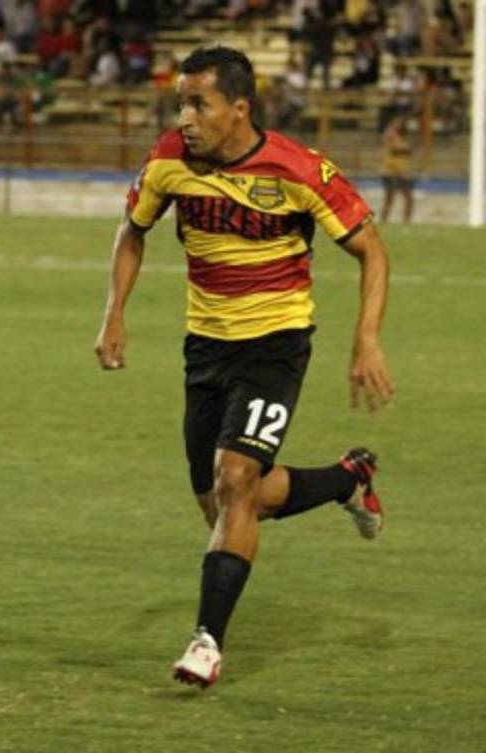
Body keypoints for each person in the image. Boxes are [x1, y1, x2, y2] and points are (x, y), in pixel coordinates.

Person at [93, 46, 394, 689]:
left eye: (198, 103)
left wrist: (366, 339)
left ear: (239, 107)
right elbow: (132, 230)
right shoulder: (169, 161)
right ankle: (347, 479)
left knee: (235, 480)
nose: (187, 117)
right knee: (228, 500)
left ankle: (206, 642)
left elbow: (371, 250)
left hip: (275, 344)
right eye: (180, 103)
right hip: (205, 348)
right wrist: (114, 312)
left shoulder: (298, 169)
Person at [380, 114, 414, 223]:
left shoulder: (400, 137)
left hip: (398, 170)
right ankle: (387, 220)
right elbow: (398, 149)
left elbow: (406, 152)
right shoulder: (391, 135)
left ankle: (404, 220)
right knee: (394, 198)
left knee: (400, 198)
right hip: (392, 171)